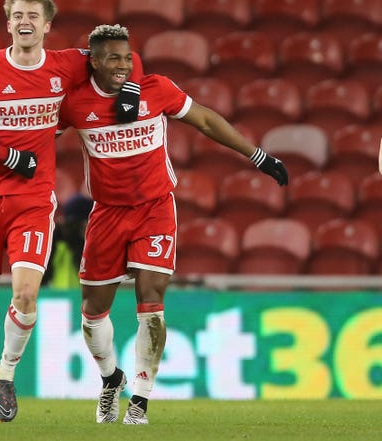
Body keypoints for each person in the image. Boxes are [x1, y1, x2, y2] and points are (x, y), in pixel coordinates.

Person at [58, 24, 288, 425]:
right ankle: (112, 379)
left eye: (128, 57)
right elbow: (32, 136)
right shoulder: (74, 104)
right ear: (92, 61)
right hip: (107, 213)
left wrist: (258, 157)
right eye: (113, 58)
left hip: (155, 208)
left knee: (152, 299)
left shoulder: (156, 89)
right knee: (94, 312)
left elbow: (204, 120)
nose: (123, 65)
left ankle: (140, 403)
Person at [0, 0, 142, 424]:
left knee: (26, 293)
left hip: (33, 199)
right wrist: (8, 156)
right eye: (17, 14)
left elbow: (119, 55)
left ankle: (5, 374)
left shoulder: (65, 64)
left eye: (33, 14)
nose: (24, 21)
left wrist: (129, 87)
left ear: (47, 25)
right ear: (8, 22)